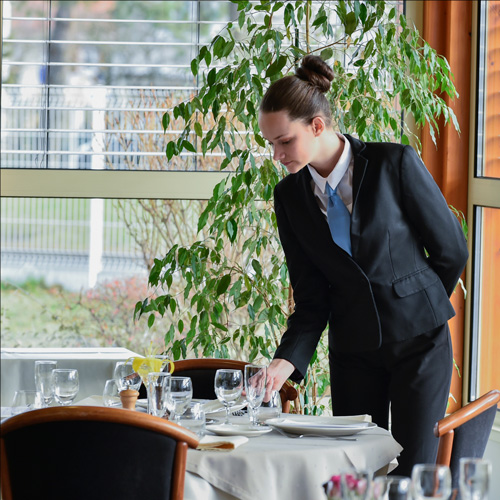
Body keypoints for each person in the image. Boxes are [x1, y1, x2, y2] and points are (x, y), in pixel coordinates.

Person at [259, 55, 469, 476]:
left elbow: (451, 251)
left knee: (411, 474)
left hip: (420, 347)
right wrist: (286, 360)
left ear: (317, 126)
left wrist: (414, 305)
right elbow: (312, 298)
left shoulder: (395, 163)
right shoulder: (289, 198)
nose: (277, 154)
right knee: (357, 476)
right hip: (353, 351)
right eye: (271, 144)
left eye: (284, 141)